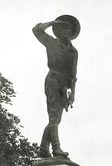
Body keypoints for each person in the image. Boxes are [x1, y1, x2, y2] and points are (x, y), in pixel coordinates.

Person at [32, 16, 80, 157]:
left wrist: (72, 94)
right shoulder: (51, 43)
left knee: (56, 120)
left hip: (64, 86)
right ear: (58, 29)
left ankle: (43, 149)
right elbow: (36, 30)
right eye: (63, 27)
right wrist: (53, 22)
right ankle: (56, 149)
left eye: (69, 28)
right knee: (53, 117)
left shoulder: (73, 51)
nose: (66, 30)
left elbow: (73, 74)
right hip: (53, 79)